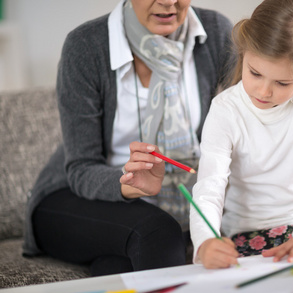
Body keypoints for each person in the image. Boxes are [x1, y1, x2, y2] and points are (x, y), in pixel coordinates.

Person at [22, 0, 233, 276]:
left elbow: (241, 126)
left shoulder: (215, 32)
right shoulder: (86, 46)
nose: (168, 2)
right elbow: (80, 168)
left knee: (118, 266)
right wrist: (129, 182)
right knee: (159, 232)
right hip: (75, 195)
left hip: (155, 208)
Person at [190, 0, 293, 269]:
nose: (263, 92)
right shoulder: (225, 109)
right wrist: (206, 241)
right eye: (255, 73)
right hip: (247, 231)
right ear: (245, 53)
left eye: (282, 83)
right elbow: (209, 185)